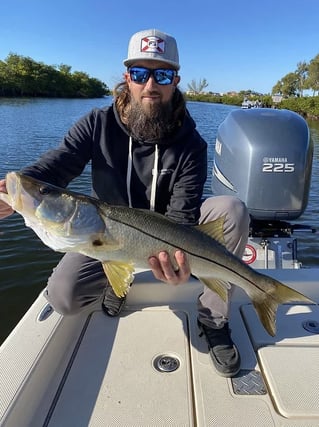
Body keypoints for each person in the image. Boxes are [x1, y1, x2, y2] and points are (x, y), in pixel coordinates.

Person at [0, 29, 249, 377]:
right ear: (126, 78)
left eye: (161, 74)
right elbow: (58, 164)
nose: (151, 84)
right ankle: (118, 279)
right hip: (105, 229)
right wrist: (14, 192)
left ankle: (213, 317)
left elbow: (183, 214)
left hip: (170, 231)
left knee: (232, 211)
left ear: (175, 80)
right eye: (140, 73)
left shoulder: (192, 143)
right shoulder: (96, 124)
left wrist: (176, 263)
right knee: (63, 296)